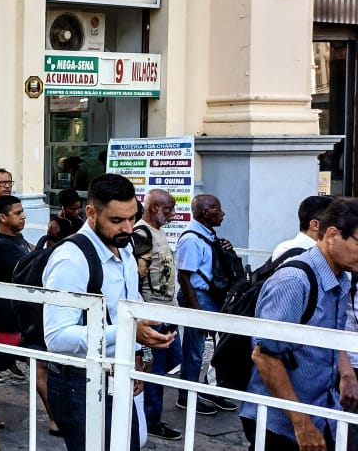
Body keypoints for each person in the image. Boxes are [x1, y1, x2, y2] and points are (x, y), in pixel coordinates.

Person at [42, 173, 175, 451]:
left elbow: (129, 308)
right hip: (79, 382)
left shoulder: (124, 247)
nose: (127, 227)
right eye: (117, 220)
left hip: (118, 374)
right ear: (91, 213)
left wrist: (140, 353)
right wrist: (128, 332)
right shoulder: (71, 258)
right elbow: (57, 338)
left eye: (132, 217)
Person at [240, 198, 358, 450]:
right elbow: (264, 356)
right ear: (332, 235)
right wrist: (302, 423)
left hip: (321, 408)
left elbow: (330, 331)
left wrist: (346, 372)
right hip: (280, 422)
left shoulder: (341, 278)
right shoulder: (294, 280)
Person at [175, 194, 239, 413]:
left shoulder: (209, 234)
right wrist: (197, 314)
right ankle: (187, 397)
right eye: (217, 210)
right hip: (198, 297)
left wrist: (226, 249)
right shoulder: (191, 239)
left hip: (212, 296)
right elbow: (184, 278)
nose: (222, 213)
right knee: (195, 351)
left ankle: (210, 389)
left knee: (223, 346)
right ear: (204, 213)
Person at [129, 189, 183, 440]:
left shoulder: (158, 232)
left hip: (166, 311)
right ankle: (151, 419)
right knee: (155, 369)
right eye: (168, 209)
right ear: (154, 208)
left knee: (173, 358)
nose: (173, 214)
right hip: (151, 314)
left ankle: (148, 410)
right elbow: (135, 277)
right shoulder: (141, 234)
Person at [0, 195, 33, 427]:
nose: (23, 216)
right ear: (2, 217)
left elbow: (31, 254)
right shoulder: (0, 244)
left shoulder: (17, 238)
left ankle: (55, 417)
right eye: (17, 213)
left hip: (18, 314)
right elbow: (25, 269)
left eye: (22, 212)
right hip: (2, 315)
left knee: (38, 364)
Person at [272, 195, 336, 260]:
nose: (339, 228)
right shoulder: (294, 252)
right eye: (335, 223)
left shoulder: (284, 247)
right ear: (315, 225)